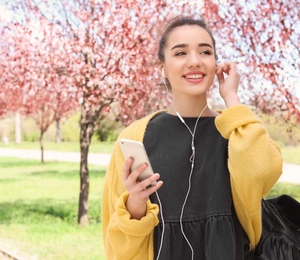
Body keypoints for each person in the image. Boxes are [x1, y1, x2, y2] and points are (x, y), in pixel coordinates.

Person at [102, 16, 283, 260]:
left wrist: (231, 98)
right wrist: (136, 200)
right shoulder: (136, 137)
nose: (195, 62)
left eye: (205, 52)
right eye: (180, 53)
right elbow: (116, 236)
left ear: (216, 63)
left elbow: (262, 172)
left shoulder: (235, 129)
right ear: (162, 67)